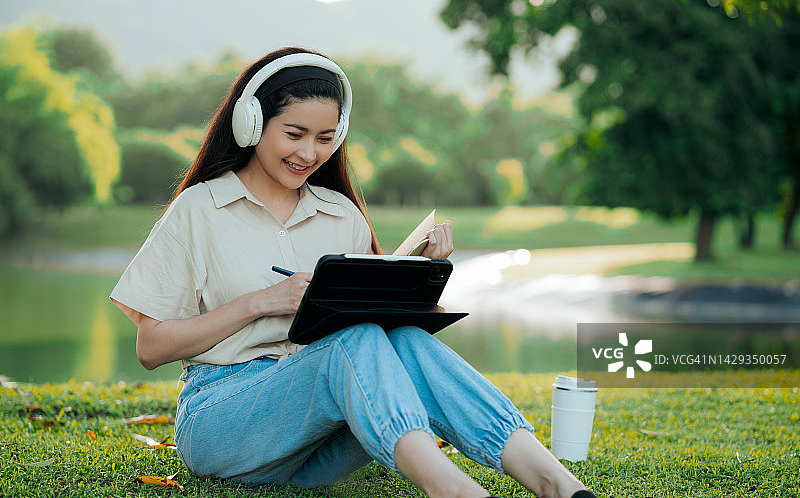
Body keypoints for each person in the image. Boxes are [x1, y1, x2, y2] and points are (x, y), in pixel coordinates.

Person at [110, 46, 597, 498]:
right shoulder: (199, 209)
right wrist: (259, 303)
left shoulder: (343, 216)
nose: (309, 153)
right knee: (354, 341)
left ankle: (560, 486)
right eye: (294, 134)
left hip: (320, 443)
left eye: (324, 139)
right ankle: (454, 490)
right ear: (251, 123)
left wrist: (418, 275)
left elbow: (378, 333)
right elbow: (151, 348)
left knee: (407, 341)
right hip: (223, 420)